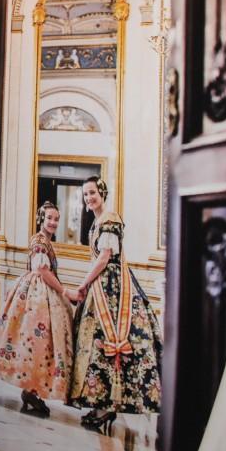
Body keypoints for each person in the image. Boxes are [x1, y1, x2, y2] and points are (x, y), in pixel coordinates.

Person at [70, 176, 162, 434]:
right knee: (97, 345)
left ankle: (108, 404)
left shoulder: (109, 220)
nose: (89, 198)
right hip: (103, 284)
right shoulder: (98, 221)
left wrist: (83, 284)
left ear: (102, 193)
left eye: (92, 193)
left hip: (112, 288)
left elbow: (104, 257)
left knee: (109, 341)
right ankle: (100, 401)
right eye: (85, 194)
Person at [0, 201, 78, 419]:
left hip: (42, 293)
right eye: (49, 218)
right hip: (36, 296)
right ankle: (30, 391)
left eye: (56, 219)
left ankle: (32, 391)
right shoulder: (39, 240)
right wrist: (65, 291)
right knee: (36, 342)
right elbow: (41, 270)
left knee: (40, 345)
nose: (53, 222)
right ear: (41, 219)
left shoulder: (46, 241)